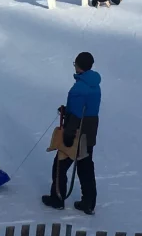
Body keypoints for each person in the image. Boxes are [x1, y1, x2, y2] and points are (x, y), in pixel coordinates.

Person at [42, 52, 101, 215]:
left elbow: (76, 115)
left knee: (60, 165)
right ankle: (88, 202)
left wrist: (68, 135)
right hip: (89, 133)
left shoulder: (78, 88)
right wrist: (67, 110)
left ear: (78, 65)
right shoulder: (95, 85)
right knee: (85, 166)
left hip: (75, 132)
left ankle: (57, 199)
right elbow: (86, 109)